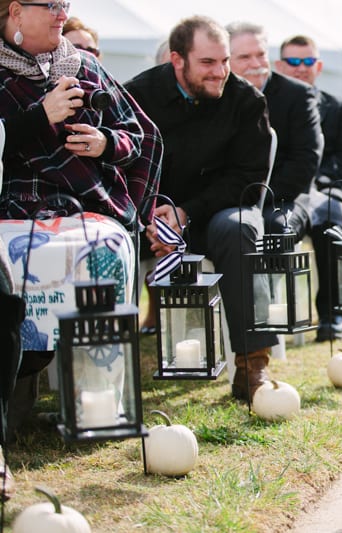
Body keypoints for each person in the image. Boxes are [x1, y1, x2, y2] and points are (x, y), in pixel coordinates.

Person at [0, 0, 161, 440]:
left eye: (64, 4)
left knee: (100, 250)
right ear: (16, 11)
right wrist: (40, 116)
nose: (61, 12)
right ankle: (16, 394)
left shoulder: (83, 64)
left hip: (90, 203)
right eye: (51, 4)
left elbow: (141, 134)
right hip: (12, 207)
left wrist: (106, 142)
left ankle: (99, 405)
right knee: (15, 267)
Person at [125, 15, 275, 402]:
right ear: (177, 60)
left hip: (215, 214)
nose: (221, 72)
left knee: (238, 228)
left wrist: (186, 213)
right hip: (147, 217)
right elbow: (119, 166)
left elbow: (248, 181)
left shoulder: (246, 101)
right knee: (107, 236)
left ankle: (251, 365)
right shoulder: (137, 96)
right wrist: (150, 218)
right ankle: (106, 374)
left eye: (224, 61)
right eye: (208, 63)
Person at [275, 34, 342, 342]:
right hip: (284, 192)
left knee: (330, 221)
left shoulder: (341, 109)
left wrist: (313, 180)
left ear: (319, 66)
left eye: (308, 61)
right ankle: (275, 314)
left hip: (328, 190)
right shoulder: (264, 107)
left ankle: (332, 314)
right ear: (279, 66)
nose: (301, 68)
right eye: (294, 61)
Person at [226, 22, 322, 231]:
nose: (256, 63)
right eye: (244, 57)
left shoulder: (298, 95)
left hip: (283, 198)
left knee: (276, 227)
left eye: (261, 54)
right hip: (229, 198)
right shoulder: (218, 94)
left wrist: (257, 197)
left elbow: (305, 161)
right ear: (226, 60)